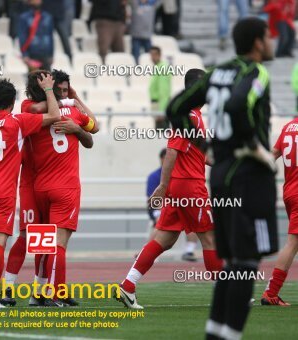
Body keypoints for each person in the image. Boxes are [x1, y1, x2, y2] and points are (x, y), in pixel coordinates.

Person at [166, 17, 277, 339]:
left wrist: (202, 144)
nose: (271, 42)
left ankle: (215, 334)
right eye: (268, 37)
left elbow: (175, 107)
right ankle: (230, 335)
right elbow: (240, 103)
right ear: (258, 42)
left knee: (232, 263)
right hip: (249, 176)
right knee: (246, 262)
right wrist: (255, 148)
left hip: (220, 177)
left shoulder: (215, 73)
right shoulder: (256, 72)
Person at [116, 68, 223, 310]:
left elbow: (196, 152)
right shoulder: (189, 116)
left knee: (164, 238)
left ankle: (128, 285)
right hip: (189, 186)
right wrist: (163, 186)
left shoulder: (193, 115)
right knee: (209, 237)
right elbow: (172, 151)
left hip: (182, 185)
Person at [0, 70, 97, 307]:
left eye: (66, 90)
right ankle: (11, 288)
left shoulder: (41, 110)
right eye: (59, 90)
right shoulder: (33, 108)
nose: (63, 94)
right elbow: (94, 128)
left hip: (39, 183)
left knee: (42, 242)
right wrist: (71, 101)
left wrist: (69, 101)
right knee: (30, 238)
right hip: (36, 184)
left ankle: (38, 292)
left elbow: (91, 133)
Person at [0, 75, 61, 308]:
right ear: (12, 102)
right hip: (3, 190)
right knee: (0, 242)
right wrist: (49, 89)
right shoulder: (16, 122)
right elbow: (54, 116)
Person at [260, 116, 298, 306]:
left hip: (290, 191)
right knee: (292, 243)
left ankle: (271, 291)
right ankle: (271, 292)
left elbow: (271, 155)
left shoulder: (288, 127)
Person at [18, 0, 54, 71]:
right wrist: (25, 54)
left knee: (48, 79)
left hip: (45, 53)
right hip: (32, 54)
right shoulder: (24, 18)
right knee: (33, 80)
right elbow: (22, 37)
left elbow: (50, 36)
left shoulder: (48, 17)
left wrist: (51, 54)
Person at [149, 46, 171, 127]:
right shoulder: (158, 67)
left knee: (161, 134)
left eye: (154, 55)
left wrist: (161, 111)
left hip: (160, 105)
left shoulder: (162, 68)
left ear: (159, 55)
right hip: (158, 105)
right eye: (151, 55)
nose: (152, 57)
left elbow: (164, 91)